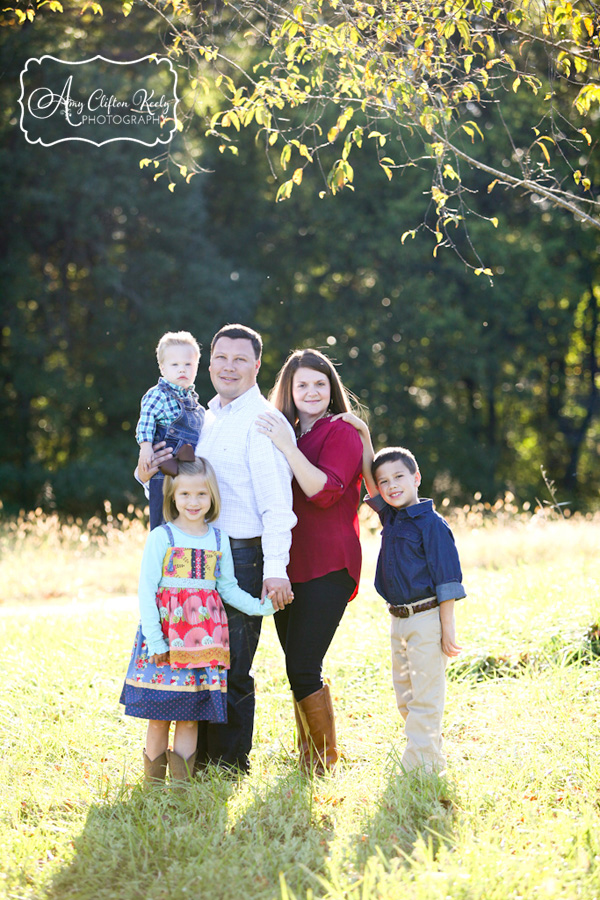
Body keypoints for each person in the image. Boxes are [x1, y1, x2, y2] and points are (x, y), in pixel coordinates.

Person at [137, 324, 296, 774]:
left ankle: (226, 766)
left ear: (257, 365)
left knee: (232, 666)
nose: (229, 366)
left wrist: (276, 568)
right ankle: (194, 762)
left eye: (240, 358)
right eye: (221, 357)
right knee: (195, 660)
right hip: (192, 556)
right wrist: (144, 470)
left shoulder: (262, 420)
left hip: (242, 557)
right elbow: (176, 480)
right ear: (209, 364)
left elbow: (277, 507)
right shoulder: (204, 416)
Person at [121, 457, 276, 784]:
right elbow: (146, 590)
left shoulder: (218, 540)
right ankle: (151, 787)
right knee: (159, 716)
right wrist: (155, 639)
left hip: (203, 642)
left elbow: (229, 588)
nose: (193, 502)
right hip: (165, 639)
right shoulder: (162, 537)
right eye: (185, 495)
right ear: (172, 497)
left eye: (201, 495)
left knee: (191, 717)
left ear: (213, 497)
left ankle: (181, 788)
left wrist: (263, 607)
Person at [255, 349, 364, 774]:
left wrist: (285, 446)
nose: (312, 391)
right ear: (289, 389)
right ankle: (310, 755)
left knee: (302, 663)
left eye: (320, 383)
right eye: (303, 384)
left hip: (329, 563)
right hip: (287, 566)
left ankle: (321, 764)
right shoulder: (286, 430)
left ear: (331, 388)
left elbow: (323, 491)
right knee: (298, 664)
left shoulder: (340, 432)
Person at [343, 422, 465, 774]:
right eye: (385, 482)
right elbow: (369, 476)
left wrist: (447, 628)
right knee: (406, 697)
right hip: (398, 620)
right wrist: (365, 435)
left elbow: (447, 579)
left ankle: (420, 770)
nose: (391, 486)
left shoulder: (431, 524)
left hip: (427, 618)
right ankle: (430, 753)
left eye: (399, 477)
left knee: (426, 696)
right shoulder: (392, 518)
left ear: (416, 478)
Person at [136, 331, 205, 530]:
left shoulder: (196, 405)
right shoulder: (158, 394)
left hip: (188, 470)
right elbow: (146, 420)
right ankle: (161, 551)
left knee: (186, 522)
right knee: (163, 520)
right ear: (163, 368)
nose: (182, 369)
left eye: (188, 364)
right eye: (175, 365)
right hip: (163, 471)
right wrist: (146, 448)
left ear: (196, 367)